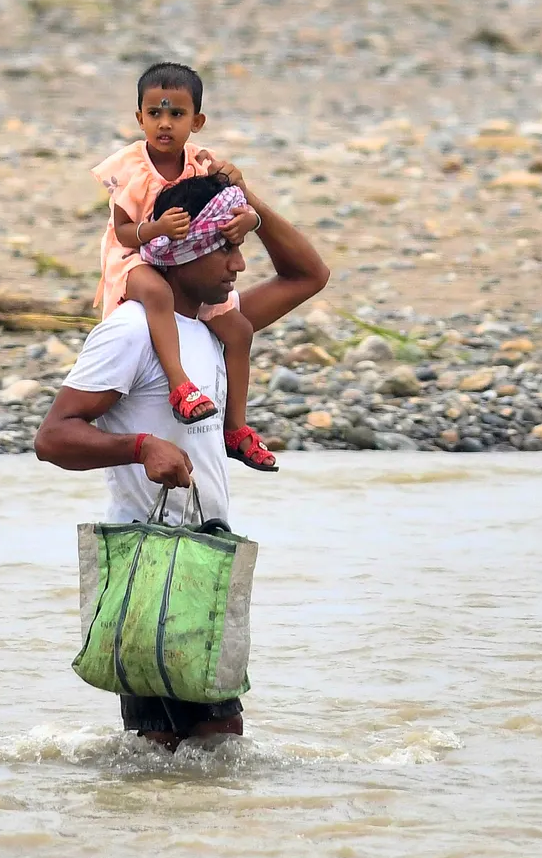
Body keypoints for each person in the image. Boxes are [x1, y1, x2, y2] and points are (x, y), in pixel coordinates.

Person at [34, 171, 328, 749]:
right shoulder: (132, 330)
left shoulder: (213, 326)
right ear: (183, 248)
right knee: (199, 738)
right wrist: (139, 447)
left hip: (203, 553)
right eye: (226, 247)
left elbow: (308, 275)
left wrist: (248, 204)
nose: (238, 265)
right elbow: (54, 437)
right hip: (152, 559)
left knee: (185, 744)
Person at [90, 61, 277, 472]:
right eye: (154, 113)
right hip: (135, 255)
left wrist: (250, 217)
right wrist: (154, 227)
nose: (164, 124)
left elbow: (231, 203)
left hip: (188, 258)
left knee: (239, 329)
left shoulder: (202, 163)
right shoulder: (131, 168)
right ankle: (180, 385)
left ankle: (236, 428)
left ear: (197, 121)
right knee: (156, 293)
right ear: (139, 117)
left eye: (177, 114)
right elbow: (122, 232)